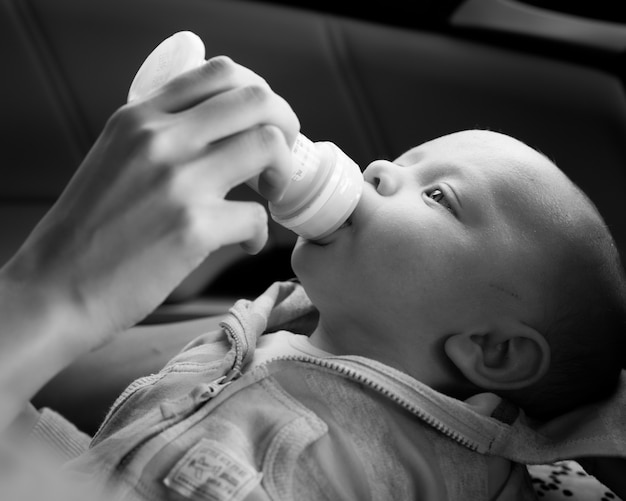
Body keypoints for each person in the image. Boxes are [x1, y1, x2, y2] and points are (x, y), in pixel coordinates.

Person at [1, 55, 625, 500]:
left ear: (494, 349)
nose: (379, 167)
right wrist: (23, 428)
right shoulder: (263, 338)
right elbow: (112, 464)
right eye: (405, 159)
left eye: (438, 195)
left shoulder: (385, 469)